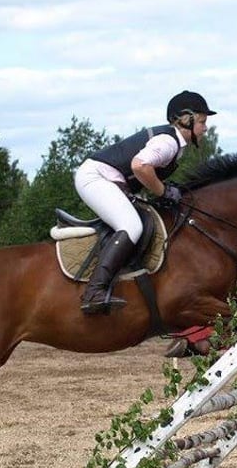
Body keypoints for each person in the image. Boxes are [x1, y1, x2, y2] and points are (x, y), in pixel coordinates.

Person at [74, 90, 216, 315]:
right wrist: (163, 192)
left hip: (111, 179)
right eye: (202, 122)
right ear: (186, 120)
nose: (205, 128)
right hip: (96, 177)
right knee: (132, 225)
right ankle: (94, 291)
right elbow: (139, 166)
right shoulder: (168, 142)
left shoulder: (173, 144)